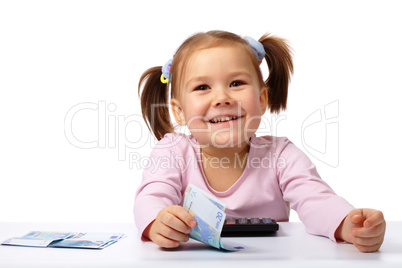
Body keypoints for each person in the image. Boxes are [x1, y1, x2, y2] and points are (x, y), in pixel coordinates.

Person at [134, 30, 386, 252]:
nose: (222, 97)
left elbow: (316, 200)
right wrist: (158, 221)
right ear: (178, 111)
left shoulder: (280, 155)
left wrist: (348, 224)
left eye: (236, 83)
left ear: (262, 98)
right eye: (202, 87)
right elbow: (151, 197)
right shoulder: (172, 151)